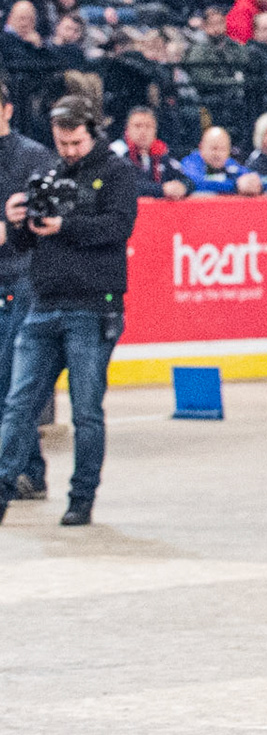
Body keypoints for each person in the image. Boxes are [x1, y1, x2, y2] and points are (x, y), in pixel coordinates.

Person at [0, 95, 142, 526]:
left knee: (86, 411)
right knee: (18, 405)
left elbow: (119, 228)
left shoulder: (116, 172)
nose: (68, 151)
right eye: (62, 143)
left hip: (92, 307)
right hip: (43, 304)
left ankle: (81, 497)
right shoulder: (48, 174)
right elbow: (27, 244)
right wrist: (15, 222)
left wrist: (66, 224)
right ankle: (3, 488)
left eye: (76, 142)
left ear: (92, 132)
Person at [0, 74, 56, 501]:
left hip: (22, 276)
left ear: (7, 109)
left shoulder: (34, 157)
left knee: (12, 381)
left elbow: (45, 216)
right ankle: (28, 469)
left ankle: (26, 471)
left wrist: (13, 224)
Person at [111, 106, 189, 199]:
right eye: (137, 126)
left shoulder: (161, 152)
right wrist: (162, 190)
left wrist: (182, 187)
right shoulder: (116, 152)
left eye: (148, 126)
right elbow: (122, 185)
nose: (143, 131)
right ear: (127, 129)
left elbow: (186, 179)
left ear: (155, 130)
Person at [179, 126, 262, 196]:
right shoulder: (190, 162)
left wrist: (256, 184)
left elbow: (253, 177)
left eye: (223, 149)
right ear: (201, 147)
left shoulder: (229, 163)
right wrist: (235, 186)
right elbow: (195, 183)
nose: (218, 154)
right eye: (214, 148)